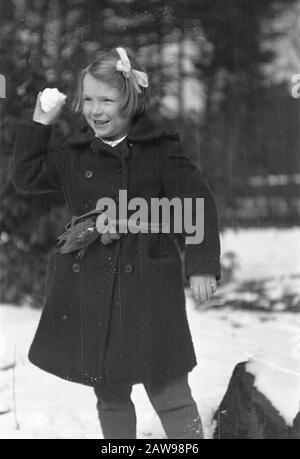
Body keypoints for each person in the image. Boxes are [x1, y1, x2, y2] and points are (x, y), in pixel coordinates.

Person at [12, 47, 221, 439]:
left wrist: (202, 264)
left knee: (169, 388)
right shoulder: (73, 154)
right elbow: (26, 177)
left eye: (106, 100)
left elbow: (196, 204)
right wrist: (40, 122)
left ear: (130, 101)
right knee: (109, 390)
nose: (95, 110)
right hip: (90, 284)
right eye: (88, 100)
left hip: (147, 284)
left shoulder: (159, 151)